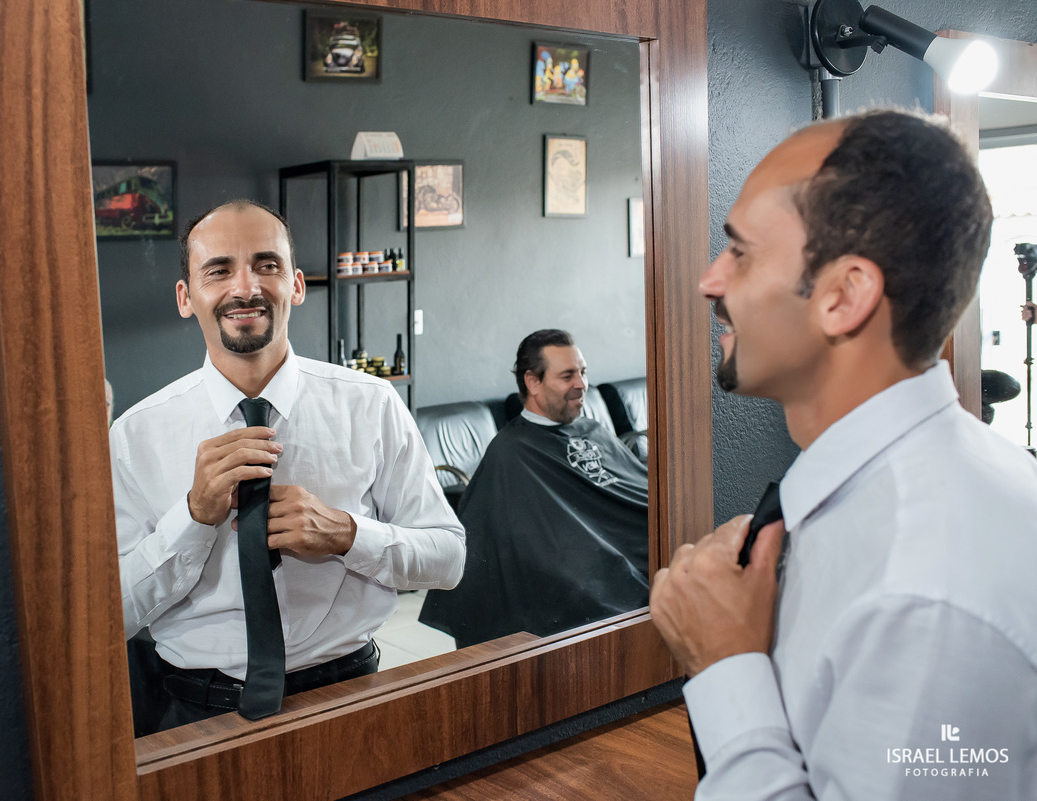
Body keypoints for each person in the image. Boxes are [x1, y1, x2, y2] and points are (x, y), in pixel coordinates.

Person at [650, 109, 1037, 799]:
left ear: (843, 296)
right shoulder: (869, 512)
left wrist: (725, 666)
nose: (711, 281)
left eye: (738, 251)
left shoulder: (923, 594)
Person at [110, 199, 465, 734]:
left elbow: (449, 559)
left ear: (296, 285)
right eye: (219, 270)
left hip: (352, 696)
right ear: (187, 297)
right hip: (195, 711)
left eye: (266, 265)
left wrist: (348, 535)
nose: (246, 287)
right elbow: (114, 611)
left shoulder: (372, 404)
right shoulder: (136, 436)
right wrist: (192, 516)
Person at [419, 329, 649, 647]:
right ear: (533, 382)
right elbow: (532, 550)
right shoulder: (510, 454)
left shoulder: (594, 430)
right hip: (586, 583)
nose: (582, 384)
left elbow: (638, 492)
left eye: (583, 373)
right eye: (567, 375)